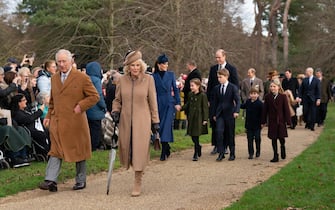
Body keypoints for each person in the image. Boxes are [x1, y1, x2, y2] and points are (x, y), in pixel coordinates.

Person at [39, 49, 99, 192]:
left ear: (71, 61)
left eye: (64, 61)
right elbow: (52, 101)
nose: (61, 64)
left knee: (79, 150)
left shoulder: (82, 77)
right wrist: (48, 116)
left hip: (76, 121)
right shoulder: (54, 78)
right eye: (58, 62)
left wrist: (81, 106)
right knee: (55, 150)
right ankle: (50, 180)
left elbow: (94, 96)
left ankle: (80, 180)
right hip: (58, 121)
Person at [111, 50, 159, 196]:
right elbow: (117, 100)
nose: (135, 68)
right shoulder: (122, 80)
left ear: (142, 66)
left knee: (139, 150)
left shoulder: (148, 80)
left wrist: (155, 121)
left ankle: (137, 180)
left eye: (137, 65)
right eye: (132, 65)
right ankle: (136, 169)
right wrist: (115, 110)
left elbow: (153, 102)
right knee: (127, 149)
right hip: (126, 121)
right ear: (128, 67)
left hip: (142, 121)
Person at [206, 49, 239, 155]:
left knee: (226, 125)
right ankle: (216, 145)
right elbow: (210, 85)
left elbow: (236, 84)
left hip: (228, 101)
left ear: (224, 56)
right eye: (216, 57)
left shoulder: (232, 69)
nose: (217, 59)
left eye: (219, 57)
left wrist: (234, 99)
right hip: (215, 100)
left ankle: (225, 146)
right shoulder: (213, 69)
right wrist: (208, 100)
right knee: (215, 124)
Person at [152, 54, 181, 161]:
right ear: (159, 65)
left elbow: (175, 89)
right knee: (159, 126)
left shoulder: (171, 75)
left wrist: (178, 102)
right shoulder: (153, 77)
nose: (165, 66)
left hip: (169, 103)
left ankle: (164, 151)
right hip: (158, 103)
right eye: (164, 64)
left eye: (167, 64)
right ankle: (167, 146)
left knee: (166, 126)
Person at [212, 69, 240, 161]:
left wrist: (236, 111)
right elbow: (214, 102)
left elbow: (237, 100)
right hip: (220, 114)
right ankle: (221, 152)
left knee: (230, 134)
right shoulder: (216, 88)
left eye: (221, 77)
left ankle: (232, 153)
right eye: (218, 77)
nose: (219, 79)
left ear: (226, 77)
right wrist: (214, 114)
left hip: (230, 114)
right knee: (219, 132)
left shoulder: (233, 87)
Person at [262, 79, 291, 162]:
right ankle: (275, 155)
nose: (272, 88)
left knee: (281, 138)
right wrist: (263, 121)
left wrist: (288, 121)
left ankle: (282, 147)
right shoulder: (267, 97)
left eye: (274, 86)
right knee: (273, 139)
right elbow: (265, 110)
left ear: (278, 87)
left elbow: (286, 110)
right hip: (272, 121)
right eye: (271, 86)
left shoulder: (283, 97)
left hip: (281, 121)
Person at [182, 78, 208, 161]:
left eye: (193, 86)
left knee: (196, 135)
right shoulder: (190, 94)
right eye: (190, 86)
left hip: (199, 118)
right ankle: (198, 146)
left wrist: (205, 119)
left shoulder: (202, 95)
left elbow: (205, 108)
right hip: (191, 117)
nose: (191, 87)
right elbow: (188, 104)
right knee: (192, 135)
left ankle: (196, 152)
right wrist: (181, 108)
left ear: (198, 86)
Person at [85, 61, 107, 151]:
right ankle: (94, 146)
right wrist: (104, 106)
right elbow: (99, 95)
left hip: (87, 108)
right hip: (96, 109)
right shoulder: (96, 80)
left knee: (89, 129)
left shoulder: (85, 78)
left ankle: (89, 146)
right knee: (96, 129)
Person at [240, 88, 263, 159]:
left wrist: (262, 123)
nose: (253, 95)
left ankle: (258, 151)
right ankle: (251, 153)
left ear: (258, 95)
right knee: (249, 139)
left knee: (257, 138)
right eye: (252, 94)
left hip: (257, 124)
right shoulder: (248, 102)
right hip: (249, 124)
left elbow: (262, 114)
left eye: (255, 94)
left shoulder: (260, 104)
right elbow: (242, 106)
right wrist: (236, 103)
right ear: (249, 95)